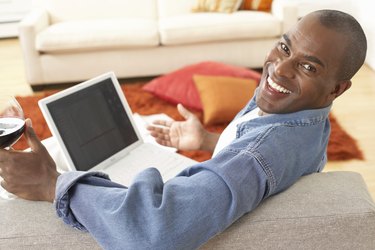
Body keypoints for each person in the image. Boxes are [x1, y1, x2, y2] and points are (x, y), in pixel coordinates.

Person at [0, 9, 367, 250]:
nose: (279, 70)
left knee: (53, 166)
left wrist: (51, 183)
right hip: (215, 171)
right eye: (284, 47)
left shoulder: (260, 153)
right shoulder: (305, 116)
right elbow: (252, 152)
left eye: (308, 68)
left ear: (337, 88)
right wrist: (208, 141)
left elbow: (155, 230)